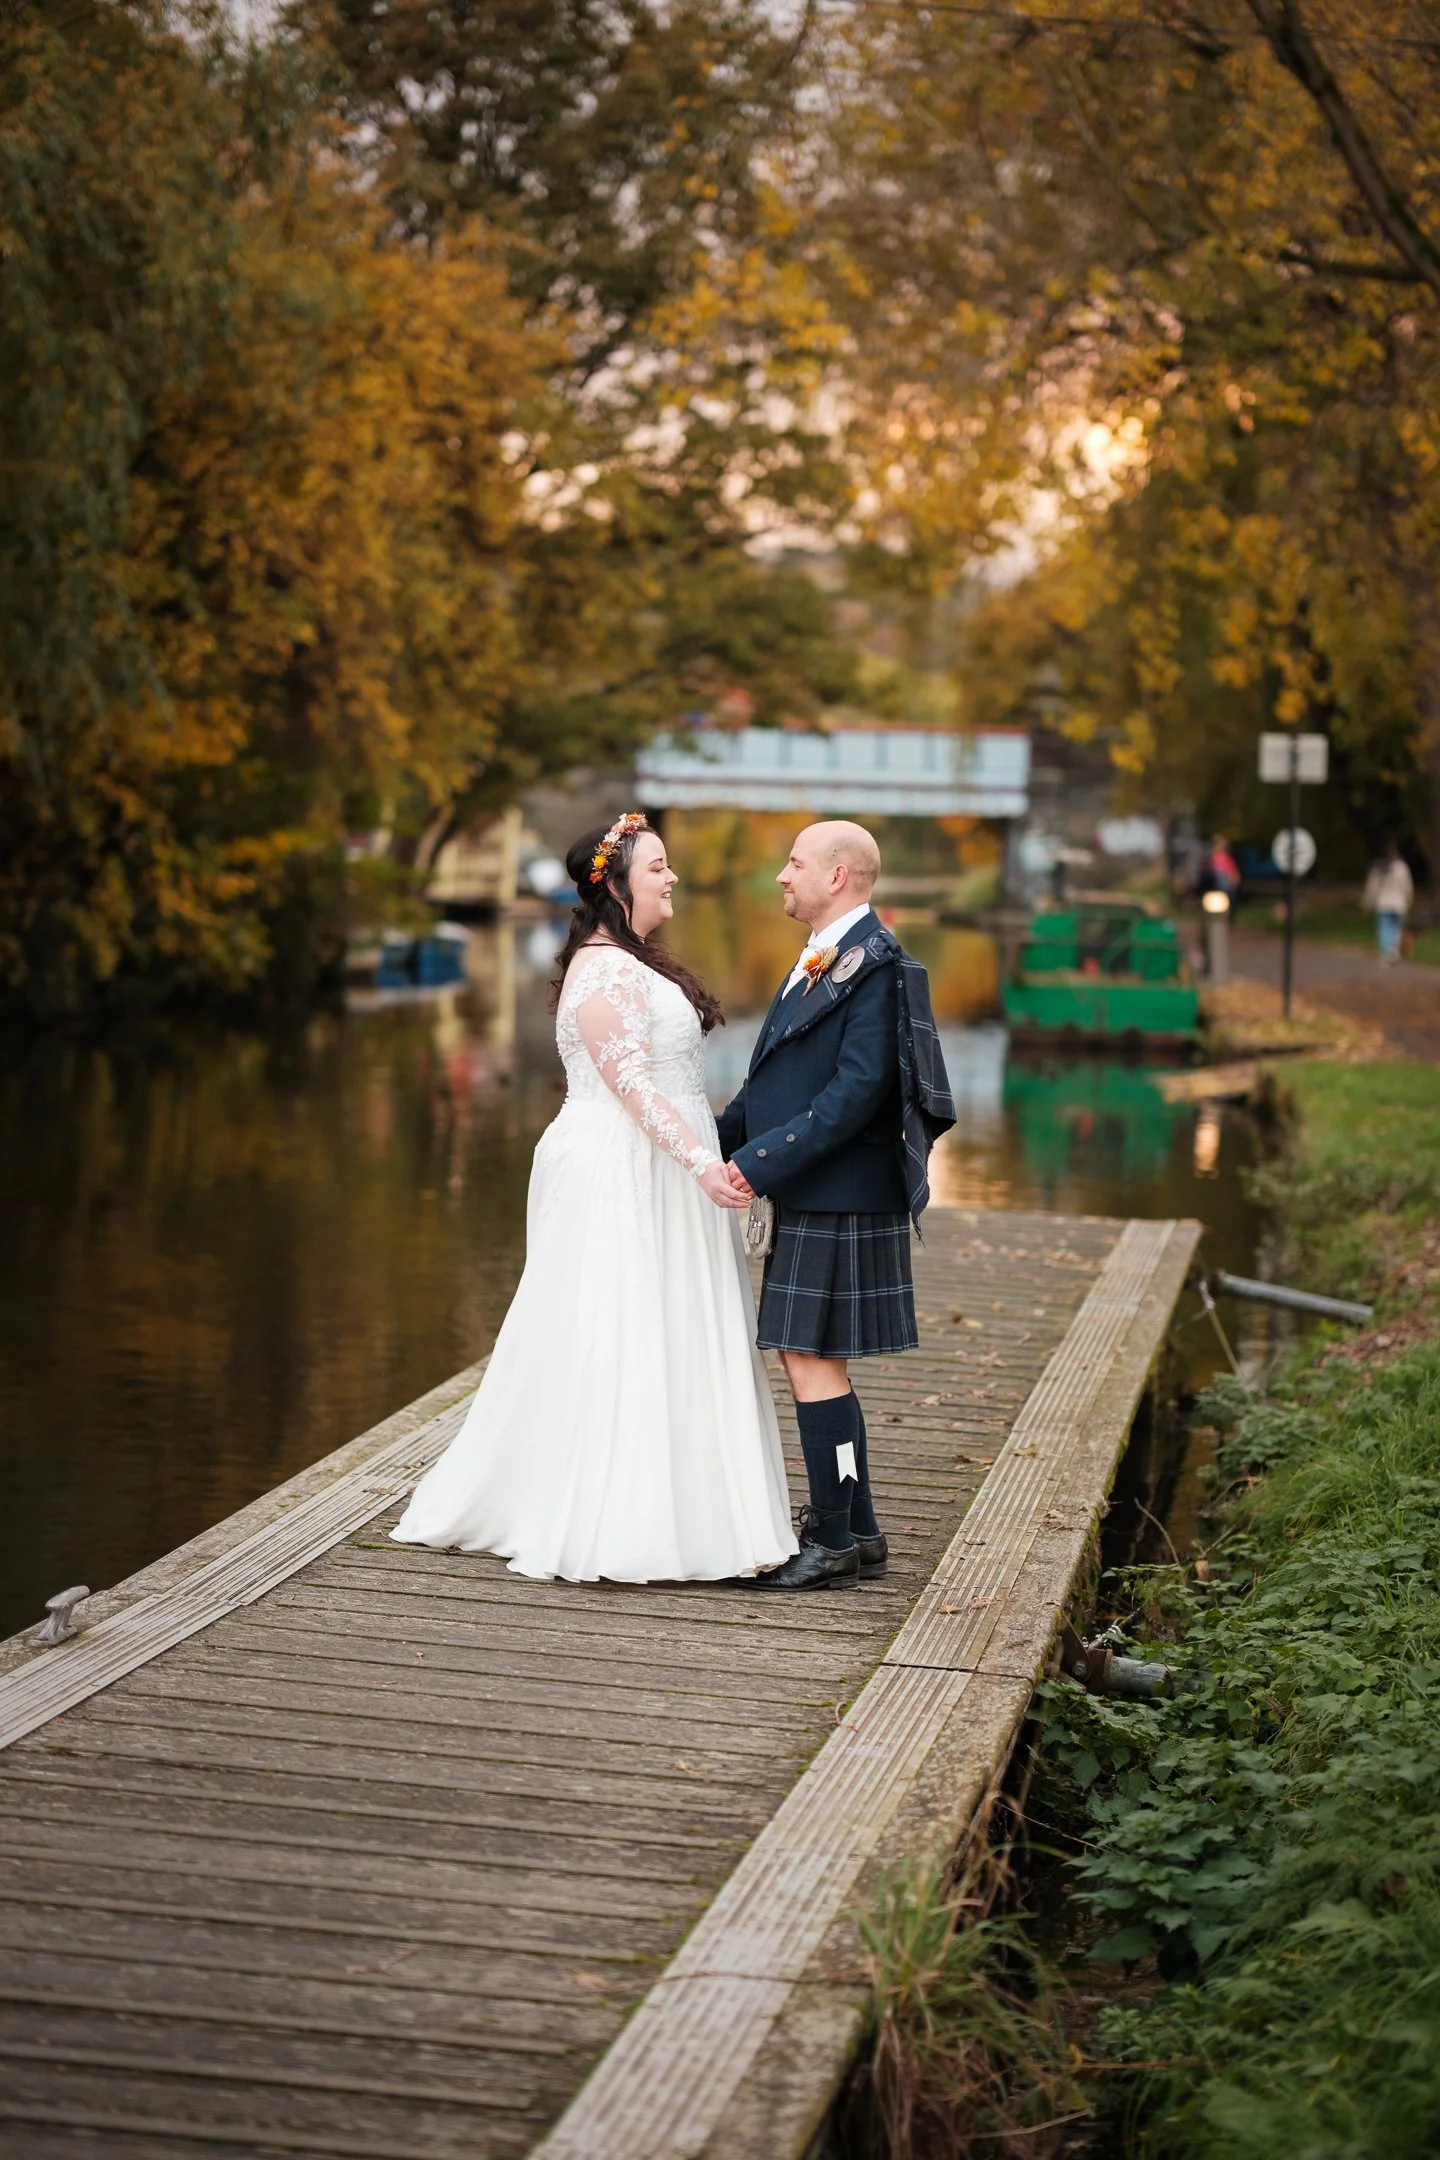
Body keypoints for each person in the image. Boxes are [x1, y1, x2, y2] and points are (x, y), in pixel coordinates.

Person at [392, 814, 797, 1582]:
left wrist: (711, 1154)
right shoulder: (605, 970)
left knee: (667, 1322)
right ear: (613, 885)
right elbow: (631, 1085)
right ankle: (618, 1514)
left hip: (662, 1163)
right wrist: (701, 1165)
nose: (672, 877)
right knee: (623, 1324)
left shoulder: (632, 960)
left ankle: (696, 1510)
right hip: (623, 1164)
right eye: (658, 869)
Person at [717, 822, 956, 1591]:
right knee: (815, 1358)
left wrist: (756, 1164)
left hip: (842, 1190)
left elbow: (857, 1096)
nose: (782, 876)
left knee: (810, 1358)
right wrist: (707, 1143)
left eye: (795, 863)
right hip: (821, 1186)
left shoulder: (877, 967)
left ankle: (831, 1538)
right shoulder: (827, 958)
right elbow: (776, 1084)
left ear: (840, 875)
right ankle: (859, 1527)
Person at [1363, 840, 1414, 966]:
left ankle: (1387, 951)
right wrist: (1409, 900)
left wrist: (1367, 901)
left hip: (1383, 903)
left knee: (1385, 928)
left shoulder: (1378, 868)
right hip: (1398, 903)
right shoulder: (1402, 868)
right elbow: (1407, 886)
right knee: (1395, 927)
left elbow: (1372, 887)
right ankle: (1393, 950)